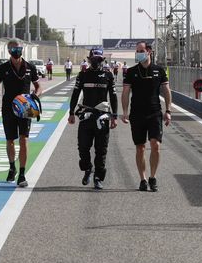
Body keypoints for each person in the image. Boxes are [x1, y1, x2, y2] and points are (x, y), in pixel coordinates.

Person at [0, 39, 42, 187]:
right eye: (13, 49)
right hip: (8, 108)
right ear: (9, 50)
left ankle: (22, 174)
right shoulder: (3, 68)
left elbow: (38, 86)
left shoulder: (30, 67)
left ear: (22, 49)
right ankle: (12, 167)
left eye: (19, 49)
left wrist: (36, 95)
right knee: (10, 140)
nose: (17, 51)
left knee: (24, 139)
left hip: (25, 109)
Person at [121, 41, 172, 192]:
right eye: (137, 51)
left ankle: (153, 177)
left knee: (155, 146)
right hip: (137, 114)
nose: (138, 54)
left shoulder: (159, 70)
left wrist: (168, 111)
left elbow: (167, 91)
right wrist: (125, 111)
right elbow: (125, 93)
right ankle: (143, 179)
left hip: (155, 113)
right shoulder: (131, 72)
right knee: (140, 148)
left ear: (149, 51)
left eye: (141, 51)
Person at [69, 48, 118, 190]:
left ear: (102, 60)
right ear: (89, 59)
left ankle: (98, 178)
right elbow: (75, 93)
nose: (96, 62)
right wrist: (71, 113)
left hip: (102, 117)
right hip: (86, 115)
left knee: (101, 149)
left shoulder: (108, 75)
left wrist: (114, 116)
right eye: (94, 59)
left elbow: (113, 97)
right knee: (83, 147)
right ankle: (87, 168)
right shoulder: (83, 75)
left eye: (99, 59)